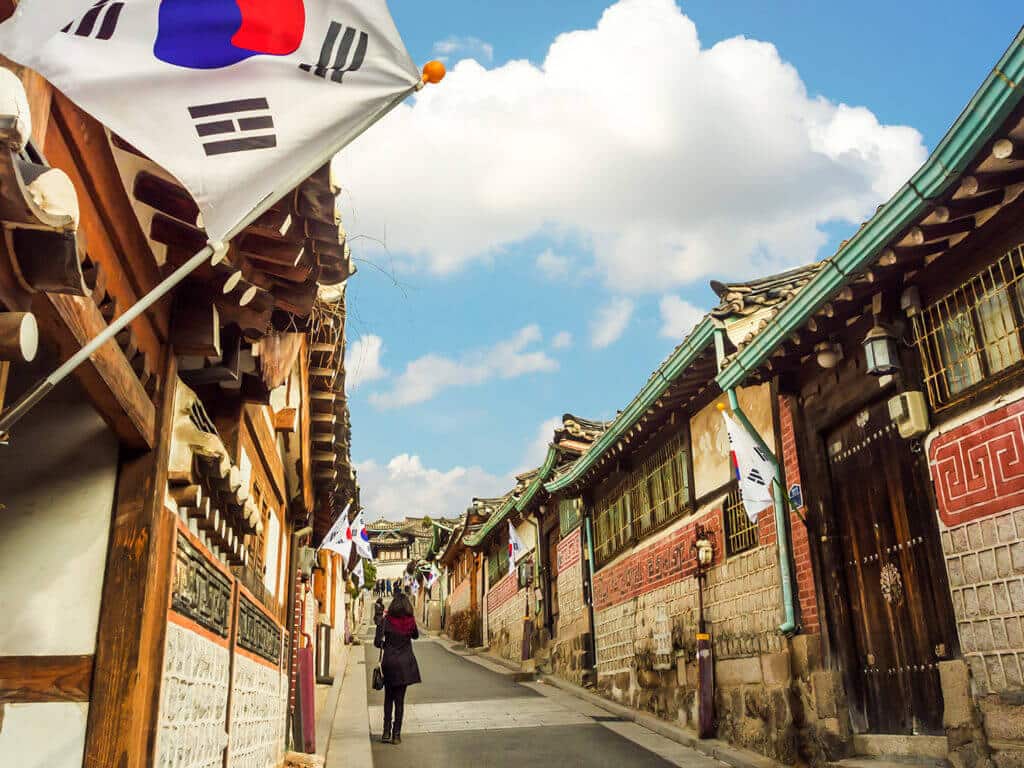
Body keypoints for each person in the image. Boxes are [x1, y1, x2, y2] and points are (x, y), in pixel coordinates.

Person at [374, 592, 421, 745]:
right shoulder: (410, 621)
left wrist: (386, 644)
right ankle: (396, 735)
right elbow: (415, 636)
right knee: (399, 701)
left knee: (388, 698)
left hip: (389, 663)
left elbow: (377, 642)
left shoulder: (387, 620)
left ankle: (386, 732)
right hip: (405, 665)